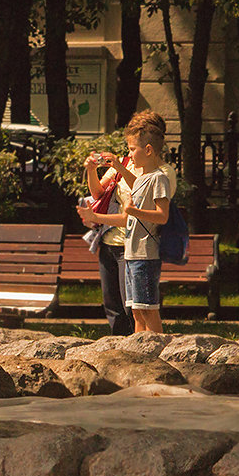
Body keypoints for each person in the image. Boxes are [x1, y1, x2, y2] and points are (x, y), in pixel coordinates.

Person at [77, 110, 176, 334]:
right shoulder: (128, 163)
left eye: (133, 147)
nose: (129, 153)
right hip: (117, 242)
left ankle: (153, 348)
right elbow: (98, 193)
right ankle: (129, 350)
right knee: (125, 307)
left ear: (149, 144)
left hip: (139, 247)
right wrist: (92, 169)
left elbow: (145, 205)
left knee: (141, 306)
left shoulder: (162, 174)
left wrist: (97, 217)